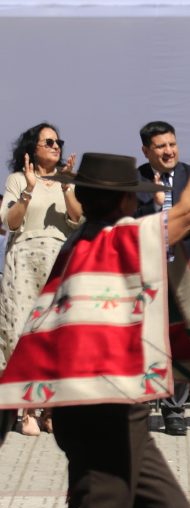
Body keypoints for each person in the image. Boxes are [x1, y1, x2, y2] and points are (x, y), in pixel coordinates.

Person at [0, 117, 190, 508]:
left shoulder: (78, 246)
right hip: (99, 412)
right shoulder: (118, 239)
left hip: (121, 411)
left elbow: (40, 336)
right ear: (126, 202)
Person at [135, 120, 190, 437]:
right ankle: (142, 408)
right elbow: (128, 223)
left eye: (172, 144)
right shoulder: (137, 181)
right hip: (149, 275)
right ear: (146, 150)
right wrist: (153, 208)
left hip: (187, 273)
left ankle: (174, 411)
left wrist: (180, 209)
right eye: (160, 146)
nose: (168, 151)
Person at [0, 123, 82, 436]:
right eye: (49, 141)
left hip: (59, 260)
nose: (56, 146)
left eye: (58, 141)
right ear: (33, 147)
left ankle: (51, 409)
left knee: (55, 335)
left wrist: (65, 187)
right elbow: (9, 221)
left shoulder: (67, 179)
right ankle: (26, 411)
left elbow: (77, 219)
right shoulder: (17, 179)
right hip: (24, 261)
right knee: (22, 332)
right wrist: (29, 189)